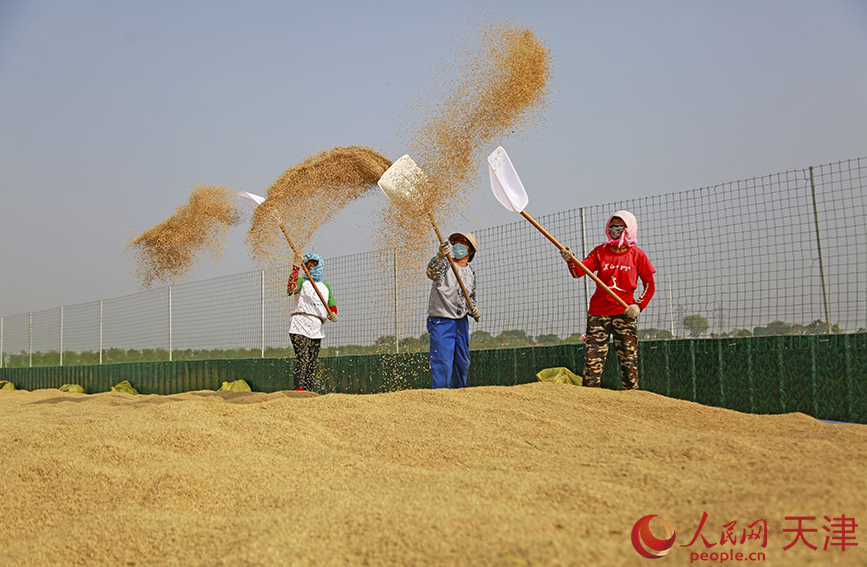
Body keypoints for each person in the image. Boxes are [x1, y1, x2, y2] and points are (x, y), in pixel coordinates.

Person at [560, 211, 655, 390]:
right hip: (598, 315)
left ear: (629, 228)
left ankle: (632, 400)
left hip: (625, 314)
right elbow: (578, 272)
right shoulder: (599, 251)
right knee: (592, 364)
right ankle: (589, 402)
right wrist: (570, 260)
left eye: (620, 226)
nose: (615, 230)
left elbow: (650, 285)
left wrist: (638, 305)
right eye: (612, 226)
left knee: (629, 363)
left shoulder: (637, 255)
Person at [426, 232, 481, 389]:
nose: (457, 245)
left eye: (463, 243)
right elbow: (431, 273)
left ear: (470, 251)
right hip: (441, 320)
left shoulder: (471, 273)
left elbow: (469, 296)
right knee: (443, 361)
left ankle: (459, 393)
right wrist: (439, 256)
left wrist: (473, 309)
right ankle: (440, 395)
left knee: (462, 361)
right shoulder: (445, 265)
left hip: (461, 322)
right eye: (456, 242)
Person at [287, 251, 338, 391]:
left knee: (311, 362)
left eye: (313, 264)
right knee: (302, 359)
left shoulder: (325, 286)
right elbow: (291, 288)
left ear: (319, 266)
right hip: (299, 324)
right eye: (308, 264)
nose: (310, 267)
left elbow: (331, 305)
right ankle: (299, 389)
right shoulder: (302, 282)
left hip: (317, 328)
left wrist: (333, 314)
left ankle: (309, 391)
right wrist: (295, 267)